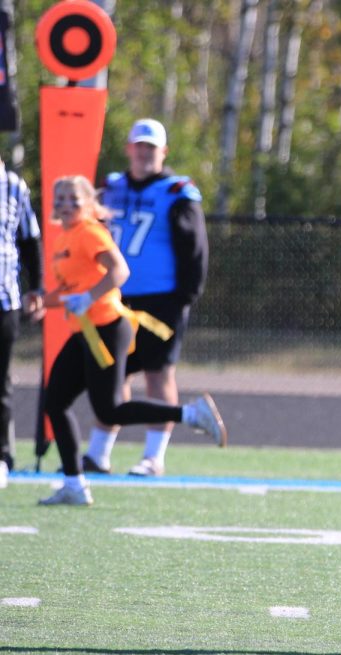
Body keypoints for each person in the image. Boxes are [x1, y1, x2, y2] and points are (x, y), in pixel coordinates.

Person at [22, 175, 226, 507]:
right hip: (87, 329)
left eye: (74, 198)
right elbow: (70, 288)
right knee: (56, 401)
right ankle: (74, 483)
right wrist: (43, 301)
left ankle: (191, 414)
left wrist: (89, 297)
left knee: (109, 408)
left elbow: (119, 272)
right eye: (60, 198)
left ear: (90, 203)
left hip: (106, 328)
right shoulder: (65, 236)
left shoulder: (89, 232)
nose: (65, 204)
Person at [82, 118, 209, 478]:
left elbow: (195, 249)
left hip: (161, 299)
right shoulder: (111, 188)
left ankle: (153, 457)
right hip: (115, 298)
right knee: (113, 373)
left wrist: (185, 295)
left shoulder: (176, 191)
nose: (144, 152)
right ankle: (98, 453)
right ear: (129, 148)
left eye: (151, 147)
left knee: (157, 372)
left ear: (163, 151)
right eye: (139, 145)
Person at [0, 156, 42, 489]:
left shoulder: (14, 186)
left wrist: (37, 287)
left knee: (0, 384)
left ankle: (2, 457)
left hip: (4, 300)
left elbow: (29, 240)